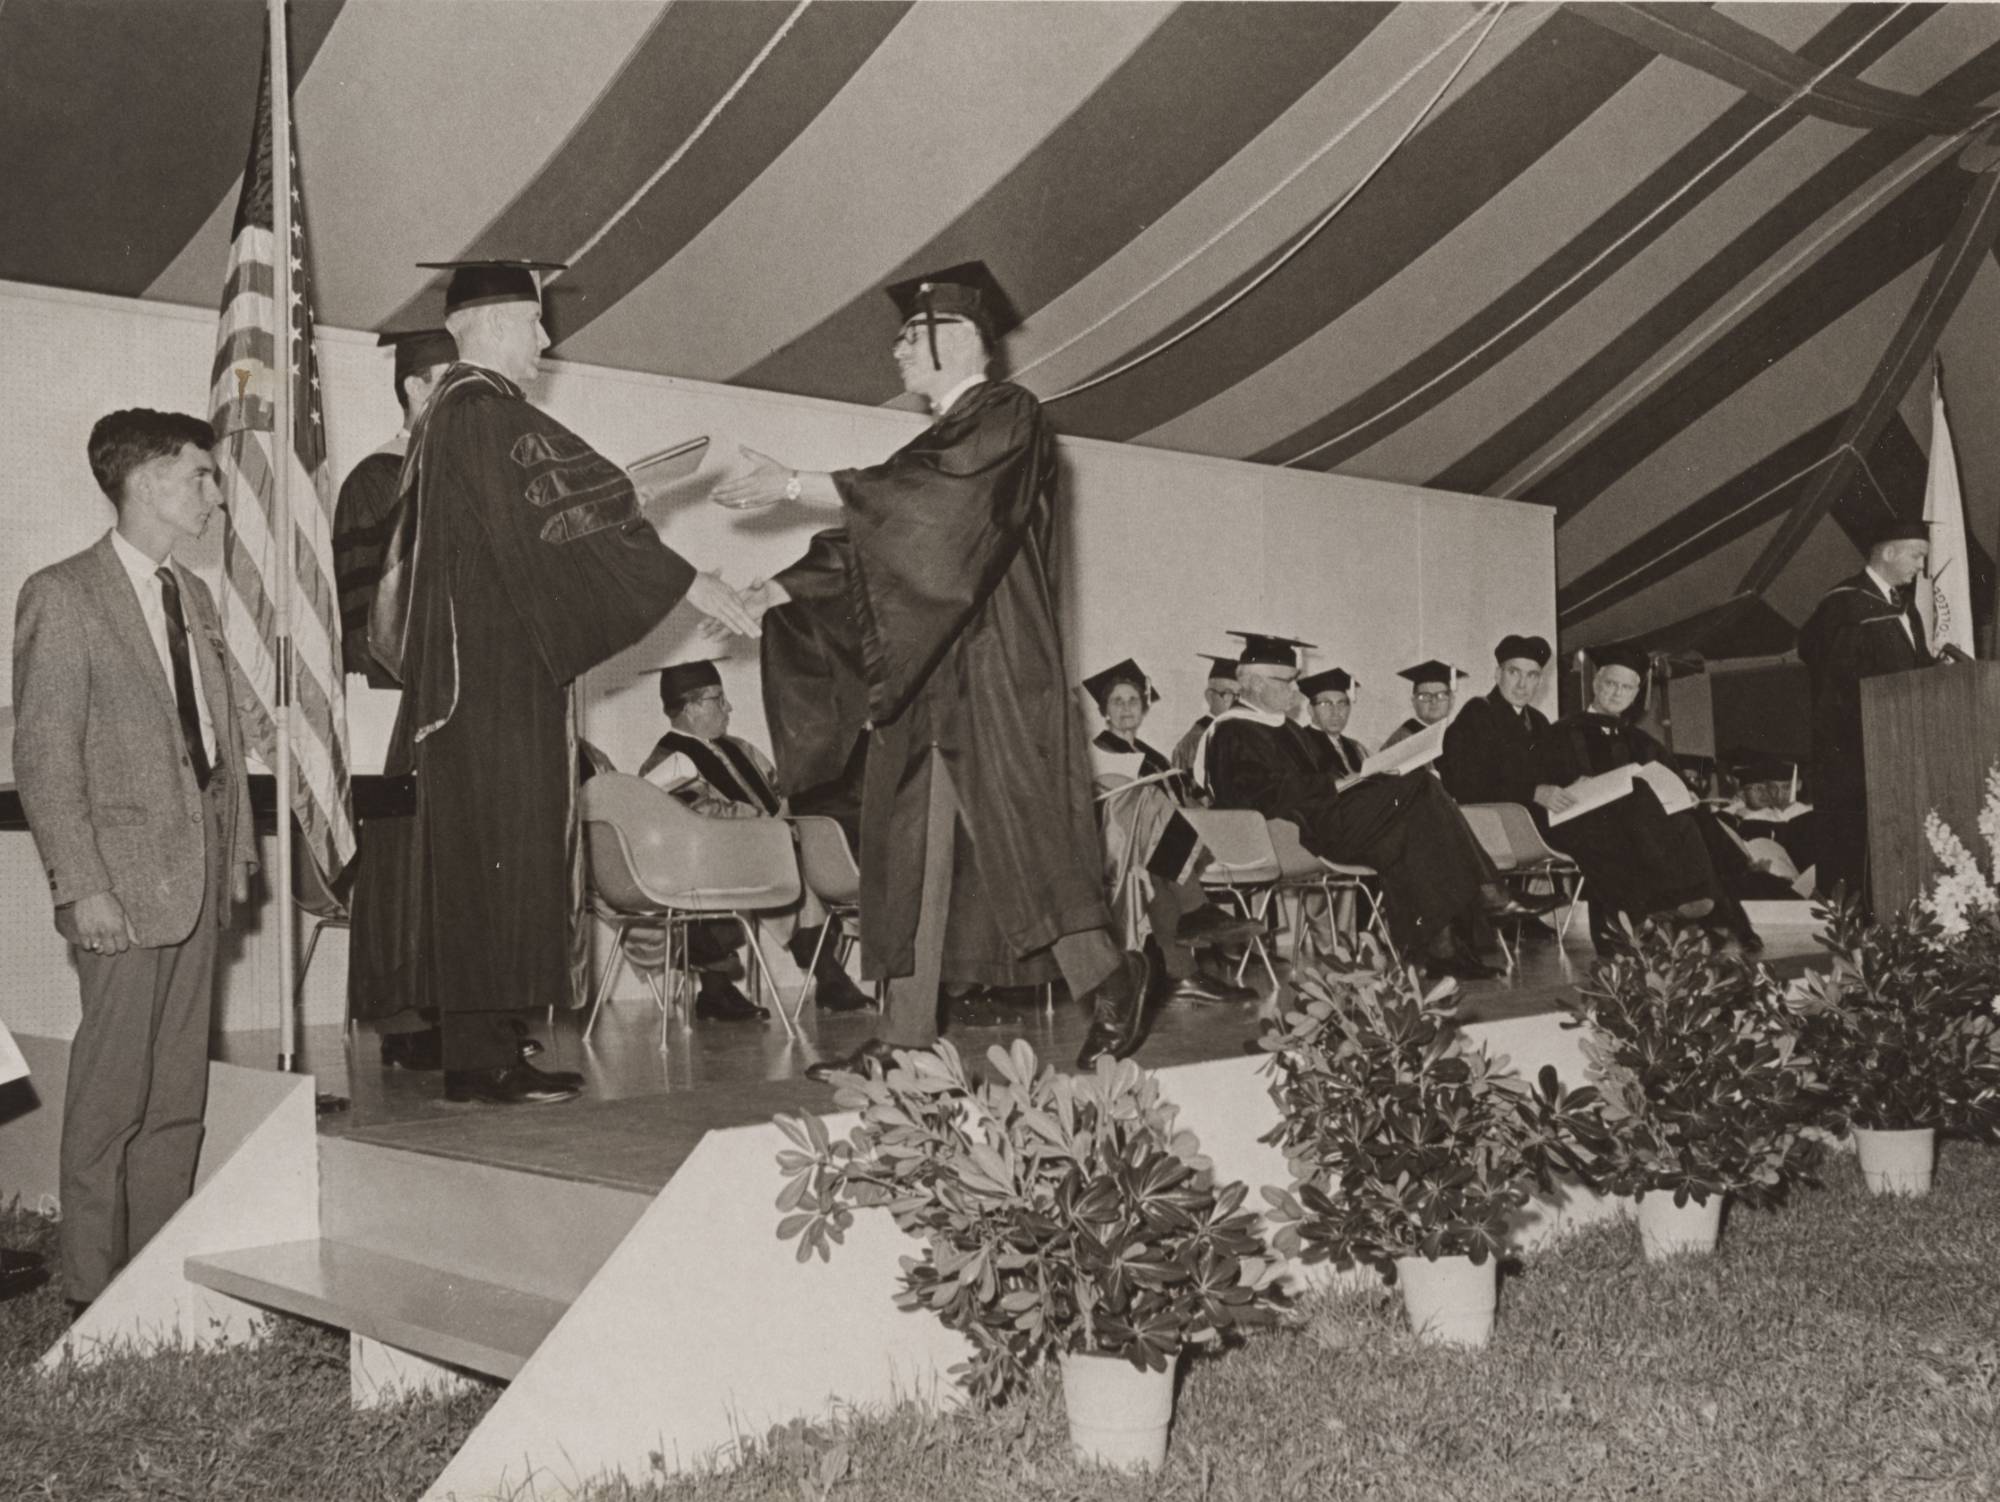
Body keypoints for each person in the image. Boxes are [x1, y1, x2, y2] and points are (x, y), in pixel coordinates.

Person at [712, 260, 1147, 1075]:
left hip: (995, 671)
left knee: (1027, 839)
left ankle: (1115, 982)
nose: (898, 350)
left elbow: (928, 507)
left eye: (913, 333)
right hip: (927, 674)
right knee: (909, 851)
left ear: (961, 337)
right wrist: (773, 587)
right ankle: (904, 1037)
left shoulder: (1011, 417)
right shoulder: (931, 443)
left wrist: (802, 486)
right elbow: (875, 540)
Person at [347, 259, 755, 1107]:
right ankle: (482, 1055)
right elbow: (562, 510)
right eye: (534, 323)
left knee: (484, 860)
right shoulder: (483, 410)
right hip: (489, 681)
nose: (544, 339)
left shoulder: (451, 421)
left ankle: (487, 1045)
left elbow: (549, 511)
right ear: (491, 320)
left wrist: (626, 494)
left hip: (479, 675)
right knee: (494, 857)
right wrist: (686, 577)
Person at [13, 409, 259, 1311]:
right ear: (150, 480)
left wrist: (231, 864)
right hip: (120, 890)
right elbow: (44, 757)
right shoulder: (63, 593)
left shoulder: (189, 596)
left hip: (194, 887)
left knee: (177, 1096)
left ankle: (158, 1276)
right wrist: (82, 886)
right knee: (111, 1096)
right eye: (200, 475)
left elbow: (214, 739)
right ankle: (89, 1285)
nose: (213, 493)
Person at [1199, 633, 1552, 980]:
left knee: (1411, 831)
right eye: (1287, 681)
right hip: (1291, 832)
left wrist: (1356, 778)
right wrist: (1335, 783)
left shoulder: (1286, 728)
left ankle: (1443, 948)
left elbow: (1314, 780)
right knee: (1420, 785)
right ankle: (1489, 893)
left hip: (1324, 820)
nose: (1295, 691)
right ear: (1254, 684)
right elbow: (1248, 795)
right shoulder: (1232, 731)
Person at [635, 659, 871, 1017]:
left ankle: (723, 992)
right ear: (692, 706)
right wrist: (772, 826)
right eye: (718, 699)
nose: (728, 707)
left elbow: (780, 789)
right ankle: (828, 977)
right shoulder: (665, 762)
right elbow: (697, 818)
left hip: (763, 846)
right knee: (786, 865)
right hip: (709, 863)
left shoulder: (740, 749)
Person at [1535, 644, 1757, 949]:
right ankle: (1686, 908)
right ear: (1595, 683)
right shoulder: (1560, 732)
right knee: (1641, 811)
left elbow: (1671, 781)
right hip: (1581, 819)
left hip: (1640, 821)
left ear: (1636, 693)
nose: (1617, 693)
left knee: (1694, 818)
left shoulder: (1642, 741)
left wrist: (1687, 794)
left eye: (1626, 687)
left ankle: (1722, 918)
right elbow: (1541, 783)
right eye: (1611, 684)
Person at [1082, 659, 1258, 1005]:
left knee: (1155, 873)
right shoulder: (1096, 752)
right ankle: (1198, 913)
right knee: (1148, 817)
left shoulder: (1153, 756)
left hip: (1154, 849)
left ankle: (1184, 975)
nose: (1126, 708)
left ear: (1143, 706)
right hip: (1111, 844)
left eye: (1133, 700)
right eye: (1117, 702)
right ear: (1104, 710)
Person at [1796, 517, 1940, 909]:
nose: (1920, 567)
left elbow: (1917, 671)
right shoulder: (1843, 605)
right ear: (1888, 552)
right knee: (1855, 846)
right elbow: (1832, 682)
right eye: (1916, 555)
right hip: (1854, 751)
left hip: (1898, 749)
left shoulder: (1904, 608)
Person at [333, 327, 456, 686]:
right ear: (416, 389)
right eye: (454, 383)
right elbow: (362, 618)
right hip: (402, 692)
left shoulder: (472, 473)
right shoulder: (375, 480)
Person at [1439, 634, 1557, 807]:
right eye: (1514, 672)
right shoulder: (1477, 713)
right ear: (1498, 674)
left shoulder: (1539, 721)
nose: (1522, 684)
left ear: (1539, 682)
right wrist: (1531, 792)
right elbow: (1463, 785)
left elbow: (1550, 777)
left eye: (1531, 675)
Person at [1169, 655, 1241, 784]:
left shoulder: (1242, 733)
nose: (1235, 702)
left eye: (1239, 695)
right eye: (1228, 694)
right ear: (1209, 696)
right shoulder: (1194, 741)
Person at [1299, 668, 1368, 778]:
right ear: (1311, 710)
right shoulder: (1299, 744)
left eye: (1342, 704)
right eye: (1326, 704)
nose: (1335, 712)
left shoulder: (1356, 747)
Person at [1381, 659, 1463, 748]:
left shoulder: (1460, 736)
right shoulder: (1402, 737)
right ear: (1414, 702)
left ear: (1451, 700)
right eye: (1425, 696)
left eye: (1441, 695)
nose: (1433, 701)